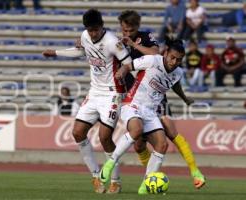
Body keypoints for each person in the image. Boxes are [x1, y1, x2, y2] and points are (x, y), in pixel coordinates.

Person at [42, 9, 132, 194]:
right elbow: (79, 51)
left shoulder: (112, 41)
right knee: (77, 132)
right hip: (94, 92)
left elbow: (128, 61)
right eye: (90, 30)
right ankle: (96, 176)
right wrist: (56, 53)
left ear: (102, 26)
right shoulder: (85, 36)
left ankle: (115, 180)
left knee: (104, 137)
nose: (92, 33)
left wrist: (123, 71)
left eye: (95, 29)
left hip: (112, 93)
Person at [118, 10, 205, 189]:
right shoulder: (117, 42)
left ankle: (195, 171)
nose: (127, 34)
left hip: (156, 96)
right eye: (124, 31)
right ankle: (150, 179)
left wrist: (133, 43)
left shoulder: (146, 37)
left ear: (137, 28)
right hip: (136, 95)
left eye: (131, 30)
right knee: (139, 144)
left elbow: (154, 54)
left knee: (171, 132)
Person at [99, 38, 186, 194]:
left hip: (151, 111)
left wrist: (185, 98)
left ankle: (145, 186)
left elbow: (176, 84)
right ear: (165, 53)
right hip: (132, 104)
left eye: (179, 60)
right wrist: (123, 71)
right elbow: (129, 66)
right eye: (172, 57)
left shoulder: (178, 72)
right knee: (136, 130)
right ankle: (110, 163)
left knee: (162, 145)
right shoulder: (152, 60)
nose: (174, 62)